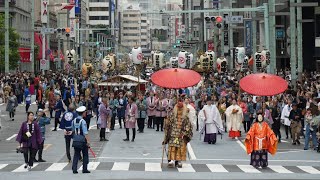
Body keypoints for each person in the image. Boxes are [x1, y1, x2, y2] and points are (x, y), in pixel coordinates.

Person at [163, 98, 193, 168]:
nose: (179, 110)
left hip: (181, 135)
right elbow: (168, 124)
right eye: (178, 108)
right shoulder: (172, 116)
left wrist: (184, 133)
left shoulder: (185, 117)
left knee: (180, 148)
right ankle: (171, 160)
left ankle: (178, 161)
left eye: (181, 108)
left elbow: (188, 126)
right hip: (173, 134)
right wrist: (166, 121)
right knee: (172, 147)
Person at [72, 106, 91, 174]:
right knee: (85, 154)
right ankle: (84, 169)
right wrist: (88, 141)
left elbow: (73, 130)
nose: (85, 113)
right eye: (85, 112)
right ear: (83, 113)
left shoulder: (73, 120)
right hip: (82, 140)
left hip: (75, 139)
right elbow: (85, 132)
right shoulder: (83, 121)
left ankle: (74, 169)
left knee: (76, 154)